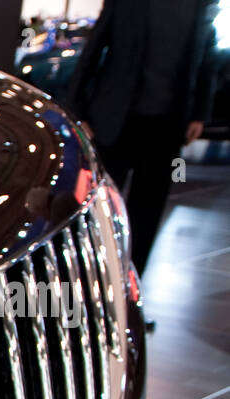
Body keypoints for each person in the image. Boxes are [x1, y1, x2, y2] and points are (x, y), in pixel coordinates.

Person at [66, 0, 219, 275]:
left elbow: (207, 58)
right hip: (115, 120)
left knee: (148, 212)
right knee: (100, 207)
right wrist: (77, 108)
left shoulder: (202, 4)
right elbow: (93, 48)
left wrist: (199, 114)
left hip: (168, 125)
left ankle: (131, 294)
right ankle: (90, 285)